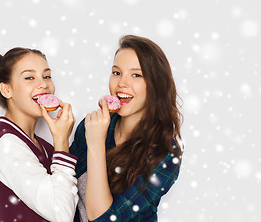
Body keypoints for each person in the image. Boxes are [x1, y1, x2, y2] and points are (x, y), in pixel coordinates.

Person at [70, 35, 183, 222]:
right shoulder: (91, 126)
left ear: (156, 85)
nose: (122, 83)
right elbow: (64, 193)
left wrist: (96, 144)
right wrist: (60, 135)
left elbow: (103, 218)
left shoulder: (165, 154)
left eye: (136, 75)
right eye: (116, 73)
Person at [0, 47, 78, 222]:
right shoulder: (8, 145)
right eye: (29, 78)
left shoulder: (45, 146)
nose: (43, 84)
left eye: (47, 76)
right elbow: (62, 215)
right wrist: (61, 140)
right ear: (7, 90)